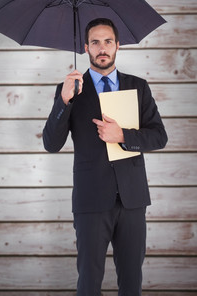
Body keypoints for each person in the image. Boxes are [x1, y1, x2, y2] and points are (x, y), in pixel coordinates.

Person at [42, 18, 168, 295]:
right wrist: (64, 101)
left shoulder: (139, 87)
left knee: (132, 282)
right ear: (86, 47)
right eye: (96, 42)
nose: (102, 48)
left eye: (108, 41)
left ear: (117, 45)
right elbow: (51, 144)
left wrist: (123, 135)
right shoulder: (71, 89)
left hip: (132, 200)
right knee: (88, 282)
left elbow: (159, 137)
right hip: (91, 200)